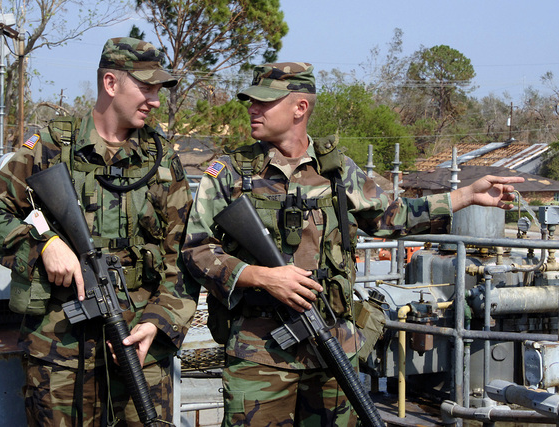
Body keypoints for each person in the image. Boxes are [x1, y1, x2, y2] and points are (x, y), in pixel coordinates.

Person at [181, 62, 524, 426]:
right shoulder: (229, 171)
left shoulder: (338, 170)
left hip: (332, 344)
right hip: (258, 353)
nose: (253, 109)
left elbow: (391, 216)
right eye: (250, 101)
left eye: (265, 102)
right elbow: (195, 248)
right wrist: (261, 276)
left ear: (300, 108)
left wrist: (466, 195)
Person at [0, 37, 198, 426]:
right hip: (60, 353)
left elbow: (186, 254)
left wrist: (158, 322)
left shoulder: (163, 161)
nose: (156, 100)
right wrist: (44, 245)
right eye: (146, 88)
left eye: (158, 90)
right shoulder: (48, 148)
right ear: (111, 84)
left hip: (139, 351)